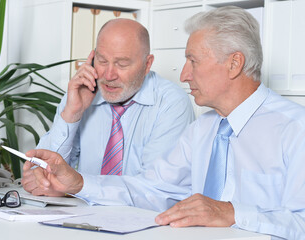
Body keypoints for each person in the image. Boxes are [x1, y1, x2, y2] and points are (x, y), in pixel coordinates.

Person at [153, 6, 305, 239]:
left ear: (234, 64)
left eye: (193, 61)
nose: (183, 75)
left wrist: (233, 213)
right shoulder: (201, 129)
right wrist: (81, 183)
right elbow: (153, 187)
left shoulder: (297, 129)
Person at [21, 18, 195, 212]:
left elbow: (156, 191)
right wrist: (72, 114)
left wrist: (78, 184)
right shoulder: (81, 93)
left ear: (147, 64)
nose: (109, 75)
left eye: (121, 64)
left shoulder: (171, 103)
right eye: (102, 61)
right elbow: (43, 172)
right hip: (82, 218)